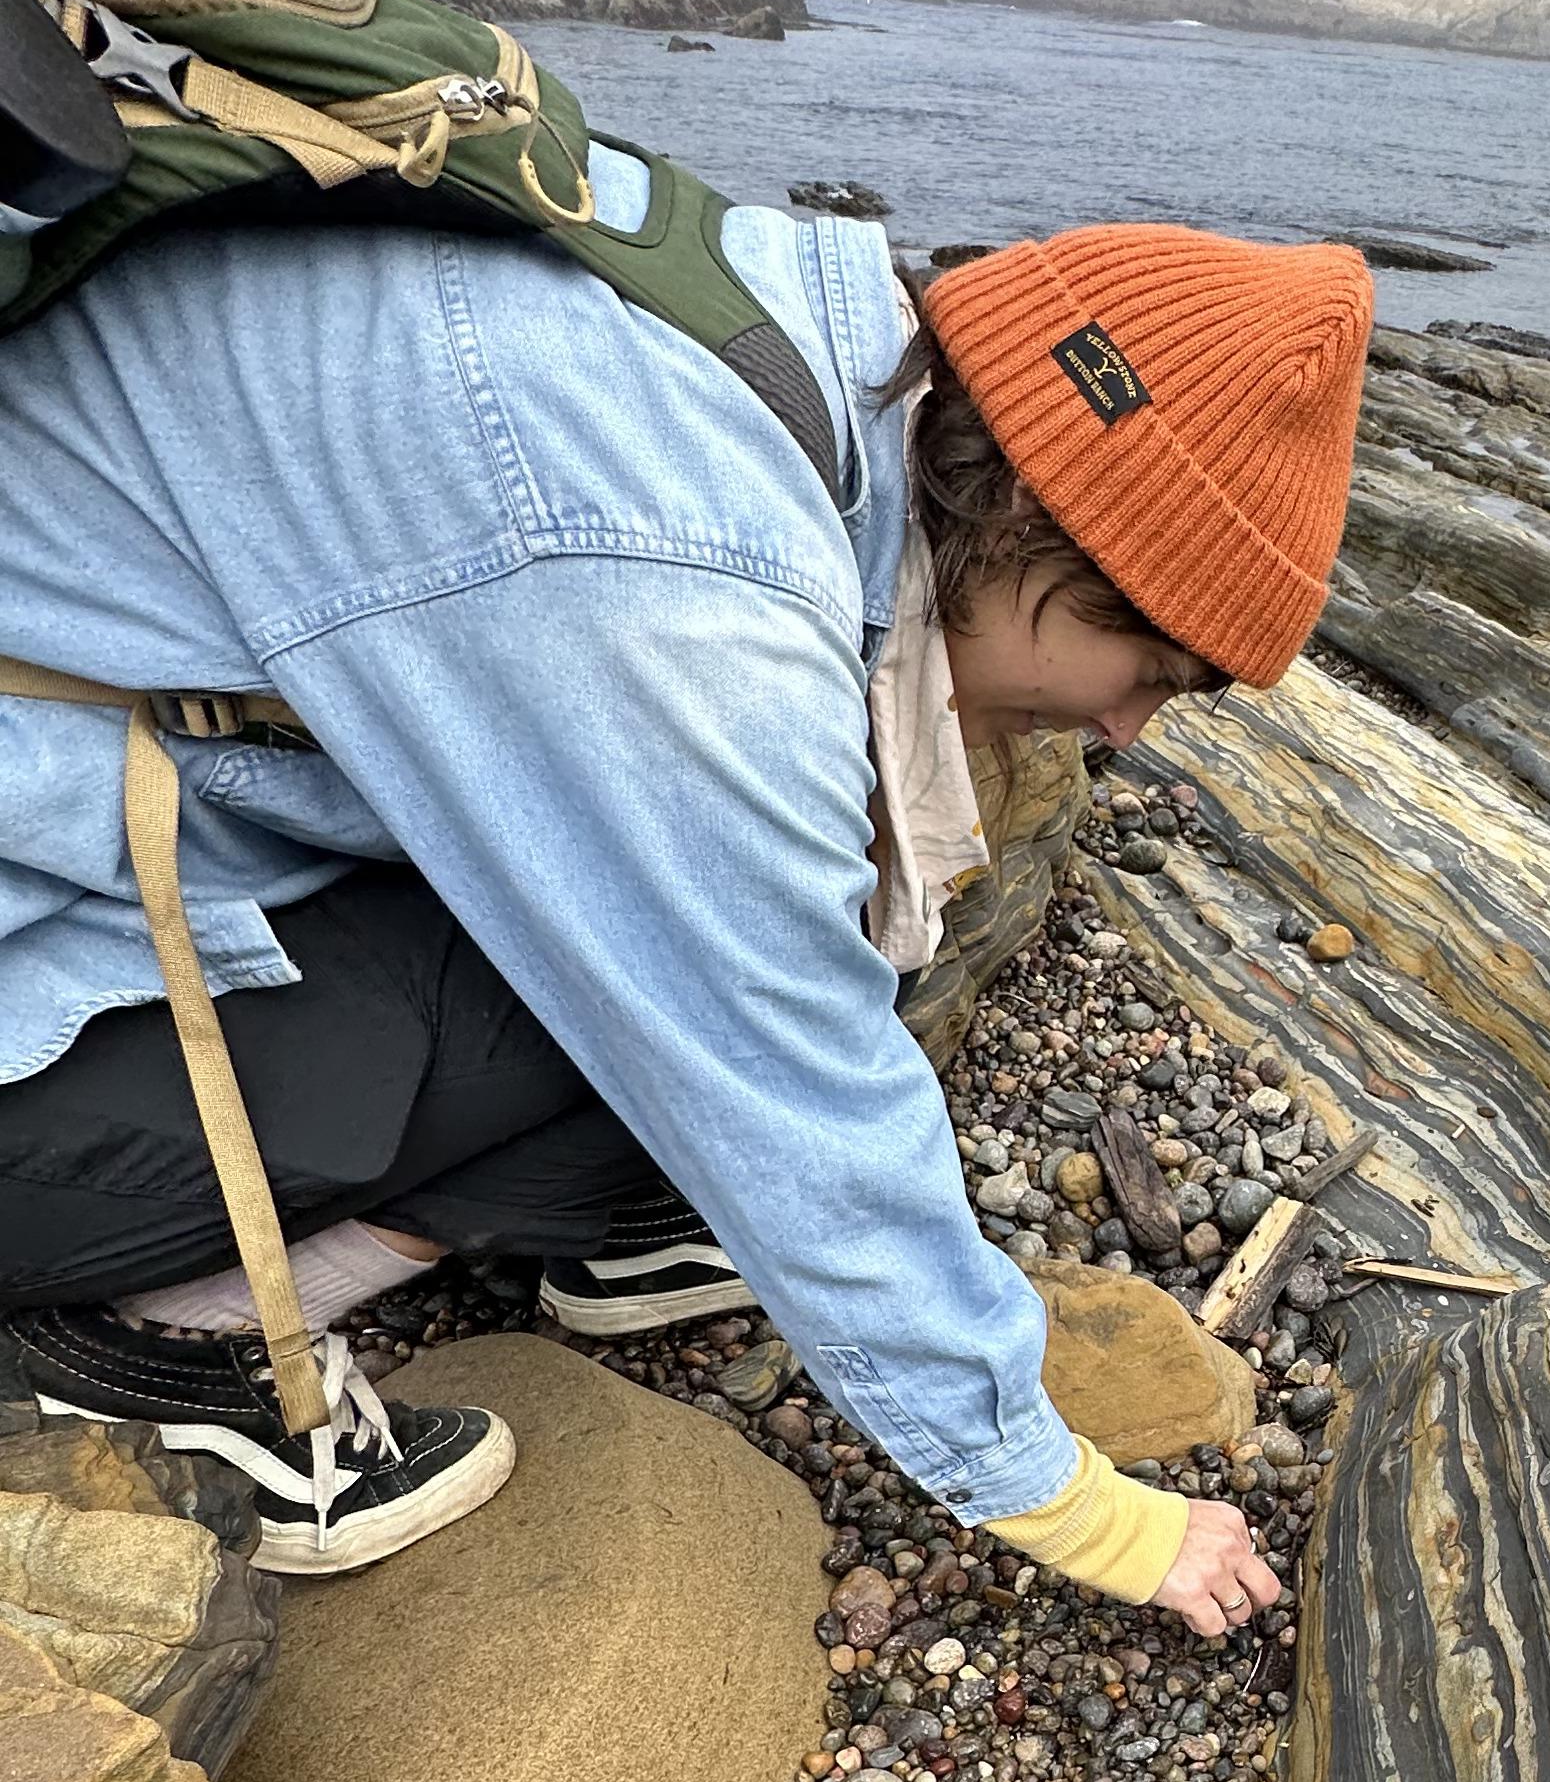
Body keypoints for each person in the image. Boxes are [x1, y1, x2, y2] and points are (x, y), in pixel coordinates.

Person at [0, 189, 1373, 1635]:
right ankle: (158, 1344)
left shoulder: (758, 340)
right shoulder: (687, 580)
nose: (1128, 735)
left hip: (106, 810)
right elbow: (786, 1061)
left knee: (680, 931)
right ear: (1042, 523)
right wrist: (1067, 1499)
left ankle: (592, 1214)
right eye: (1150, 670)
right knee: (686, 972)